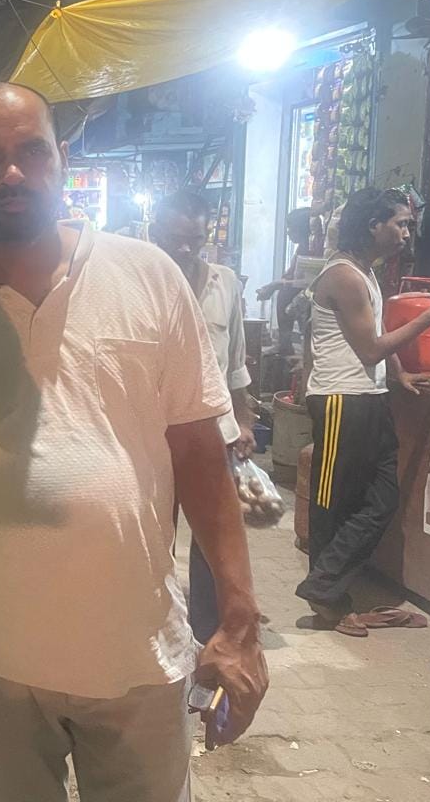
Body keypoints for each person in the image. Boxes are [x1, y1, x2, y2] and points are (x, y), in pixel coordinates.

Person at [0, 83, 267, 802]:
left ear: (62, 159)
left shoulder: (146, 276)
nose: (12, 172)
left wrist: (240, 618)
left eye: (31, 152)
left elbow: (203, 457)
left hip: (138, 651)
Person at [300, 187, 430, 636]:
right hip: (338, 399)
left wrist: (400, 374)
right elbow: (369, 347)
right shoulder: (344, 275)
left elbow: (379, 332)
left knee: (381, 499)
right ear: (373, 225)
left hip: (365, 398)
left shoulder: (365, 272)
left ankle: (324, 585)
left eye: (408, 224)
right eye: (400, 224)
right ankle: (326, 597)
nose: (407, 233)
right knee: (332, 503)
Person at [151, 189, 256, 645]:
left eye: (196, 237)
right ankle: (155, 619)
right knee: (155, 531)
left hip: (216, 430)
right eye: (177, 238)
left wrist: (246, 421)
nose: (187, 248)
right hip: (154, 433)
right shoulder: (141, 280)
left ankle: (209, 630)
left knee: (214, 534)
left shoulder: (226, 282)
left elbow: (236, 360)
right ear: (155, 234)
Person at [255, 207, 314, 353]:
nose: (288, 232)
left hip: (309, 292)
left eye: (291, 228)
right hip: (300, 289)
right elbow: (290, 275)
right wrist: (272, 285)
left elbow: (303, 282)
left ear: (301, 229)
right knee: (282, 290)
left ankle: (285, 343)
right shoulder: (301, 248)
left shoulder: (311, 248)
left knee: (284, 293)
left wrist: (276, 285)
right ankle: (284, 341)